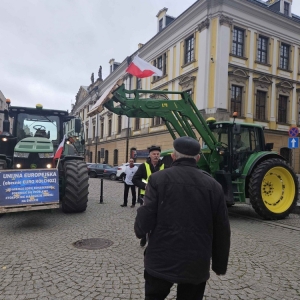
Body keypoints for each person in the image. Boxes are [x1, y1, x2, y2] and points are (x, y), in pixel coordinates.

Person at [134, 136, 231, 300]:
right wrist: (219, 265)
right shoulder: (214, 186)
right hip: (196, 262)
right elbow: (222, 228)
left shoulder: (158, 179)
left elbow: (146, 214)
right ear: (198, 158)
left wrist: (139, 231)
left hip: (160, 258)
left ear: (173, 156)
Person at [132, 145, 164, 247]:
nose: (156, 156)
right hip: (145, 196)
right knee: (146, 217)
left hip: (160, 197)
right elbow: (135, 179)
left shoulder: (164, 166)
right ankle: (144, 236)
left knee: (158, 218)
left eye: (158, 154)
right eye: (154, 154)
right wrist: (144, 186)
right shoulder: (143, 166)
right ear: (149, 155)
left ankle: (154, 238)